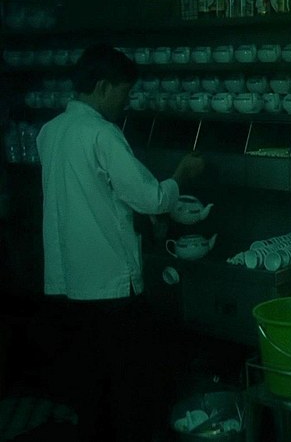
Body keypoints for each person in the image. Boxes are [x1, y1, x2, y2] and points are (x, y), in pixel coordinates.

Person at [34, 44, 205, 441]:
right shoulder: (102, 134)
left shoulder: (50, 131)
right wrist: (182, 173)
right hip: (111, 286)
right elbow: (152, 197)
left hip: (68, 283)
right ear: (103, 86)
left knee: (90, 388)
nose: (126, 102)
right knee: (130, 388)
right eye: (124, 92)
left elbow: (92, 196)